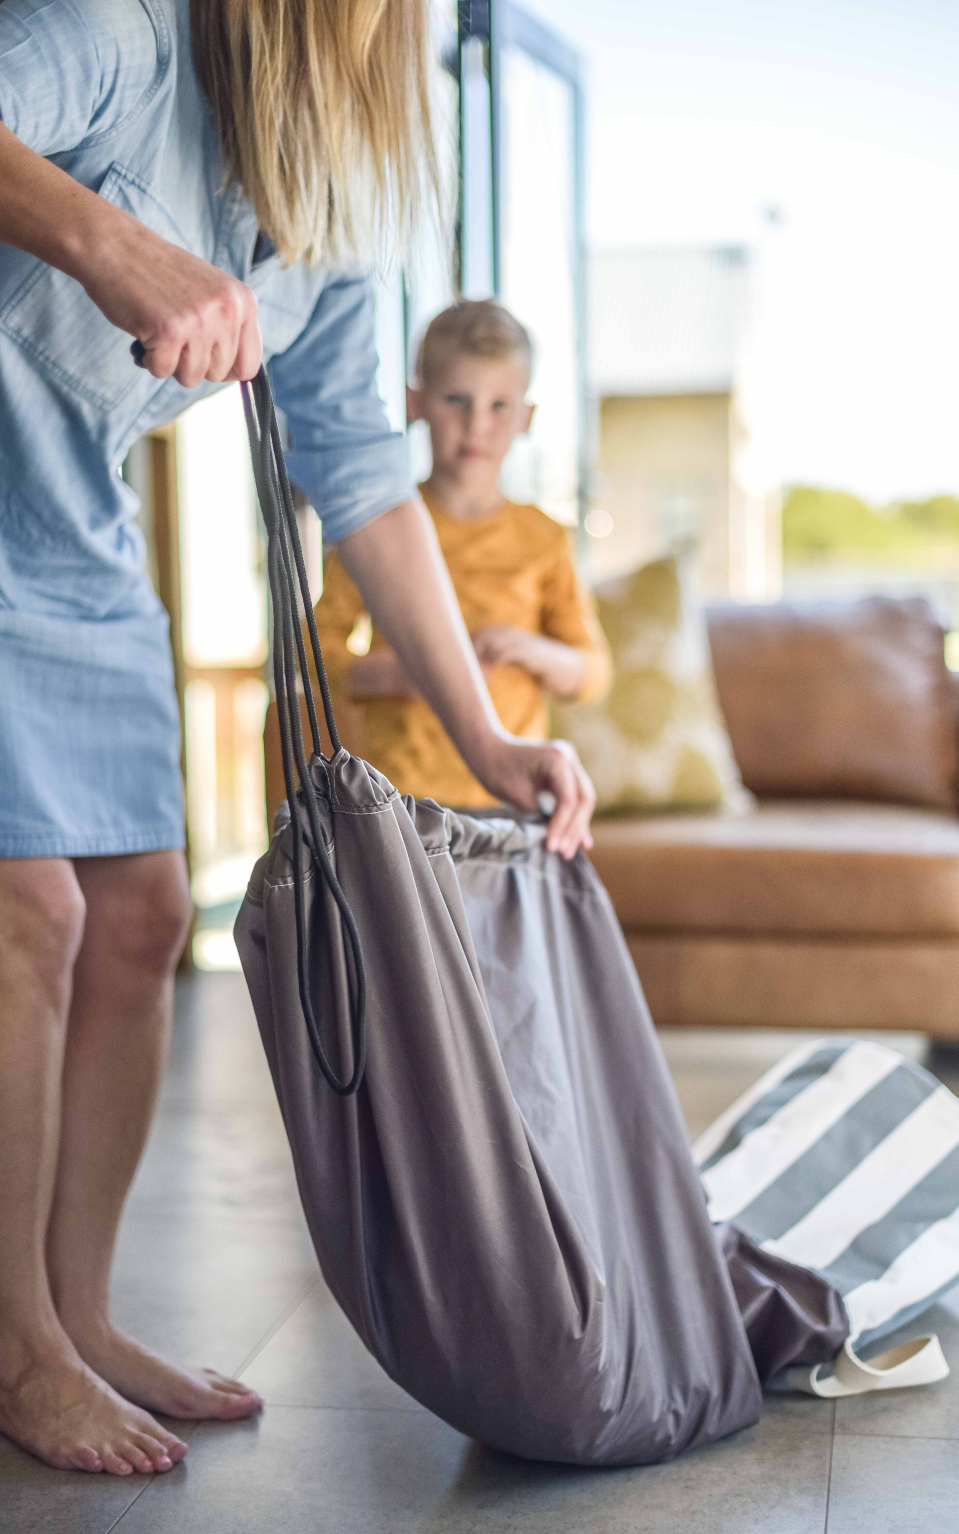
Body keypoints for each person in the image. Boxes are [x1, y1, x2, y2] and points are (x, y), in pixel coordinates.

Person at [0, 0, 593, 1479]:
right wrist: (107, 239)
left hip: (71, 523)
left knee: (139, 918)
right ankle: (14, 1348)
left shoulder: (341, 190)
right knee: (34, 908)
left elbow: (361, 472)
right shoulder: (122, 33)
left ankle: (73, 1313)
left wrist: (485, 727)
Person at [312, 299, 612, 807]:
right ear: (416, 403)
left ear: (526, 416)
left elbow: (591, 673)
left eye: (498, 405)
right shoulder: (379, 529)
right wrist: (402, 670)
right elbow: (320, 653)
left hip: (513, 795)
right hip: (402, 797)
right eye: (456, 399)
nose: (477, 424)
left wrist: (529, 648)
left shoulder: (544, 538)